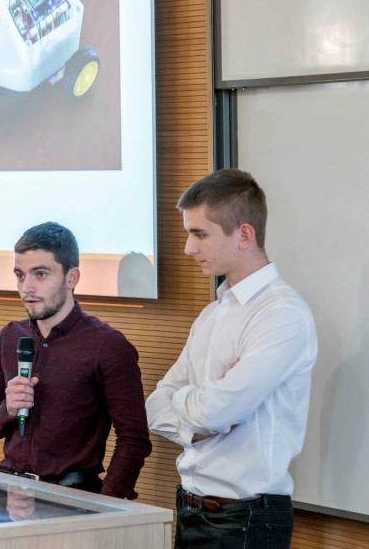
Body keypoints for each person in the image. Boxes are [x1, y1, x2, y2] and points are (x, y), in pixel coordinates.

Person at [146, 169, 318, 548]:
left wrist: (188, 401)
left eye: (200, 234)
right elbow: (156, 407)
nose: (188, 248)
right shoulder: (214, 312)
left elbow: (214, 412)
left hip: (246, 519)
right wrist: (196, 421)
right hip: (191, 508)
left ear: (244, 235)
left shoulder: (281, 314)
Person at [0, 222, 152, 499]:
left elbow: (134, 440)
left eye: (41, 274)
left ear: (71, 278)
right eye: (20, 275)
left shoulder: (107, 345)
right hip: (8, 493)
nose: (27, 287)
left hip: (72, 498)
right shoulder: (9, 337)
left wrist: (104, 509)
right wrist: (7, 409)